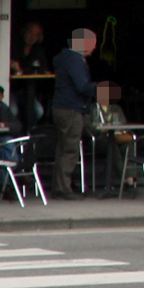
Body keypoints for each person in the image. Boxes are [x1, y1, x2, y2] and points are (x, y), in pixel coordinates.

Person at [52, 28, 98, 199]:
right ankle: (63, 189)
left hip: (62, 107)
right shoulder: (74, 60)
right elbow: (83, 86)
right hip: (71, 108)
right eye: (92, 44)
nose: (94, 48)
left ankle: (60, 186)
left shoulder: (65, 59)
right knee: (70, 149)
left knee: (63, 148)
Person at [88, 81, 136, 200]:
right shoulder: (91, 108)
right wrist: (102, 129)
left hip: (117, 137)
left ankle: (130, 181)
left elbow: (124, 124)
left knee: (128, 146)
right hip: (100, 139)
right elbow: (88, 127)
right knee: (112, 148)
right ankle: (126, 178)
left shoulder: (116, 108)